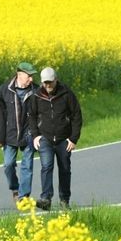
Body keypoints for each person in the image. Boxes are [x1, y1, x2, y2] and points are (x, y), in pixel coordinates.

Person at [30, 67, 82, 211]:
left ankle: (64, 200)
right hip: (45, 138)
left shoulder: (66, 93)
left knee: (65, 169)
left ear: (56, 80)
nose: (48, 86)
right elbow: (32, 116)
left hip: (63, 139)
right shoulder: (36, 96)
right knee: (46, 166)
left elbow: (76, 115)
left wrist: (73, 138)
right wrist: (35, 136)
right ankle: (46, 198)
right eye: (45, 83)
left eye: (50, 83)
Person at [0, 62, 38, 202]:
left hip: (29, 134)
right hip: (10, 133)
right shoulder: (4, 90)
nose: (31, 79)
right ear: (19, 74)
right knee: (8, 165)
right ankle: (15, 188)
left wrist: (37, 133)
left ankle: (23, 195)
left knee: (27, 165)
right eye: (29, 76)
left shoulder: (36, 91)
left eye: (32, 76)